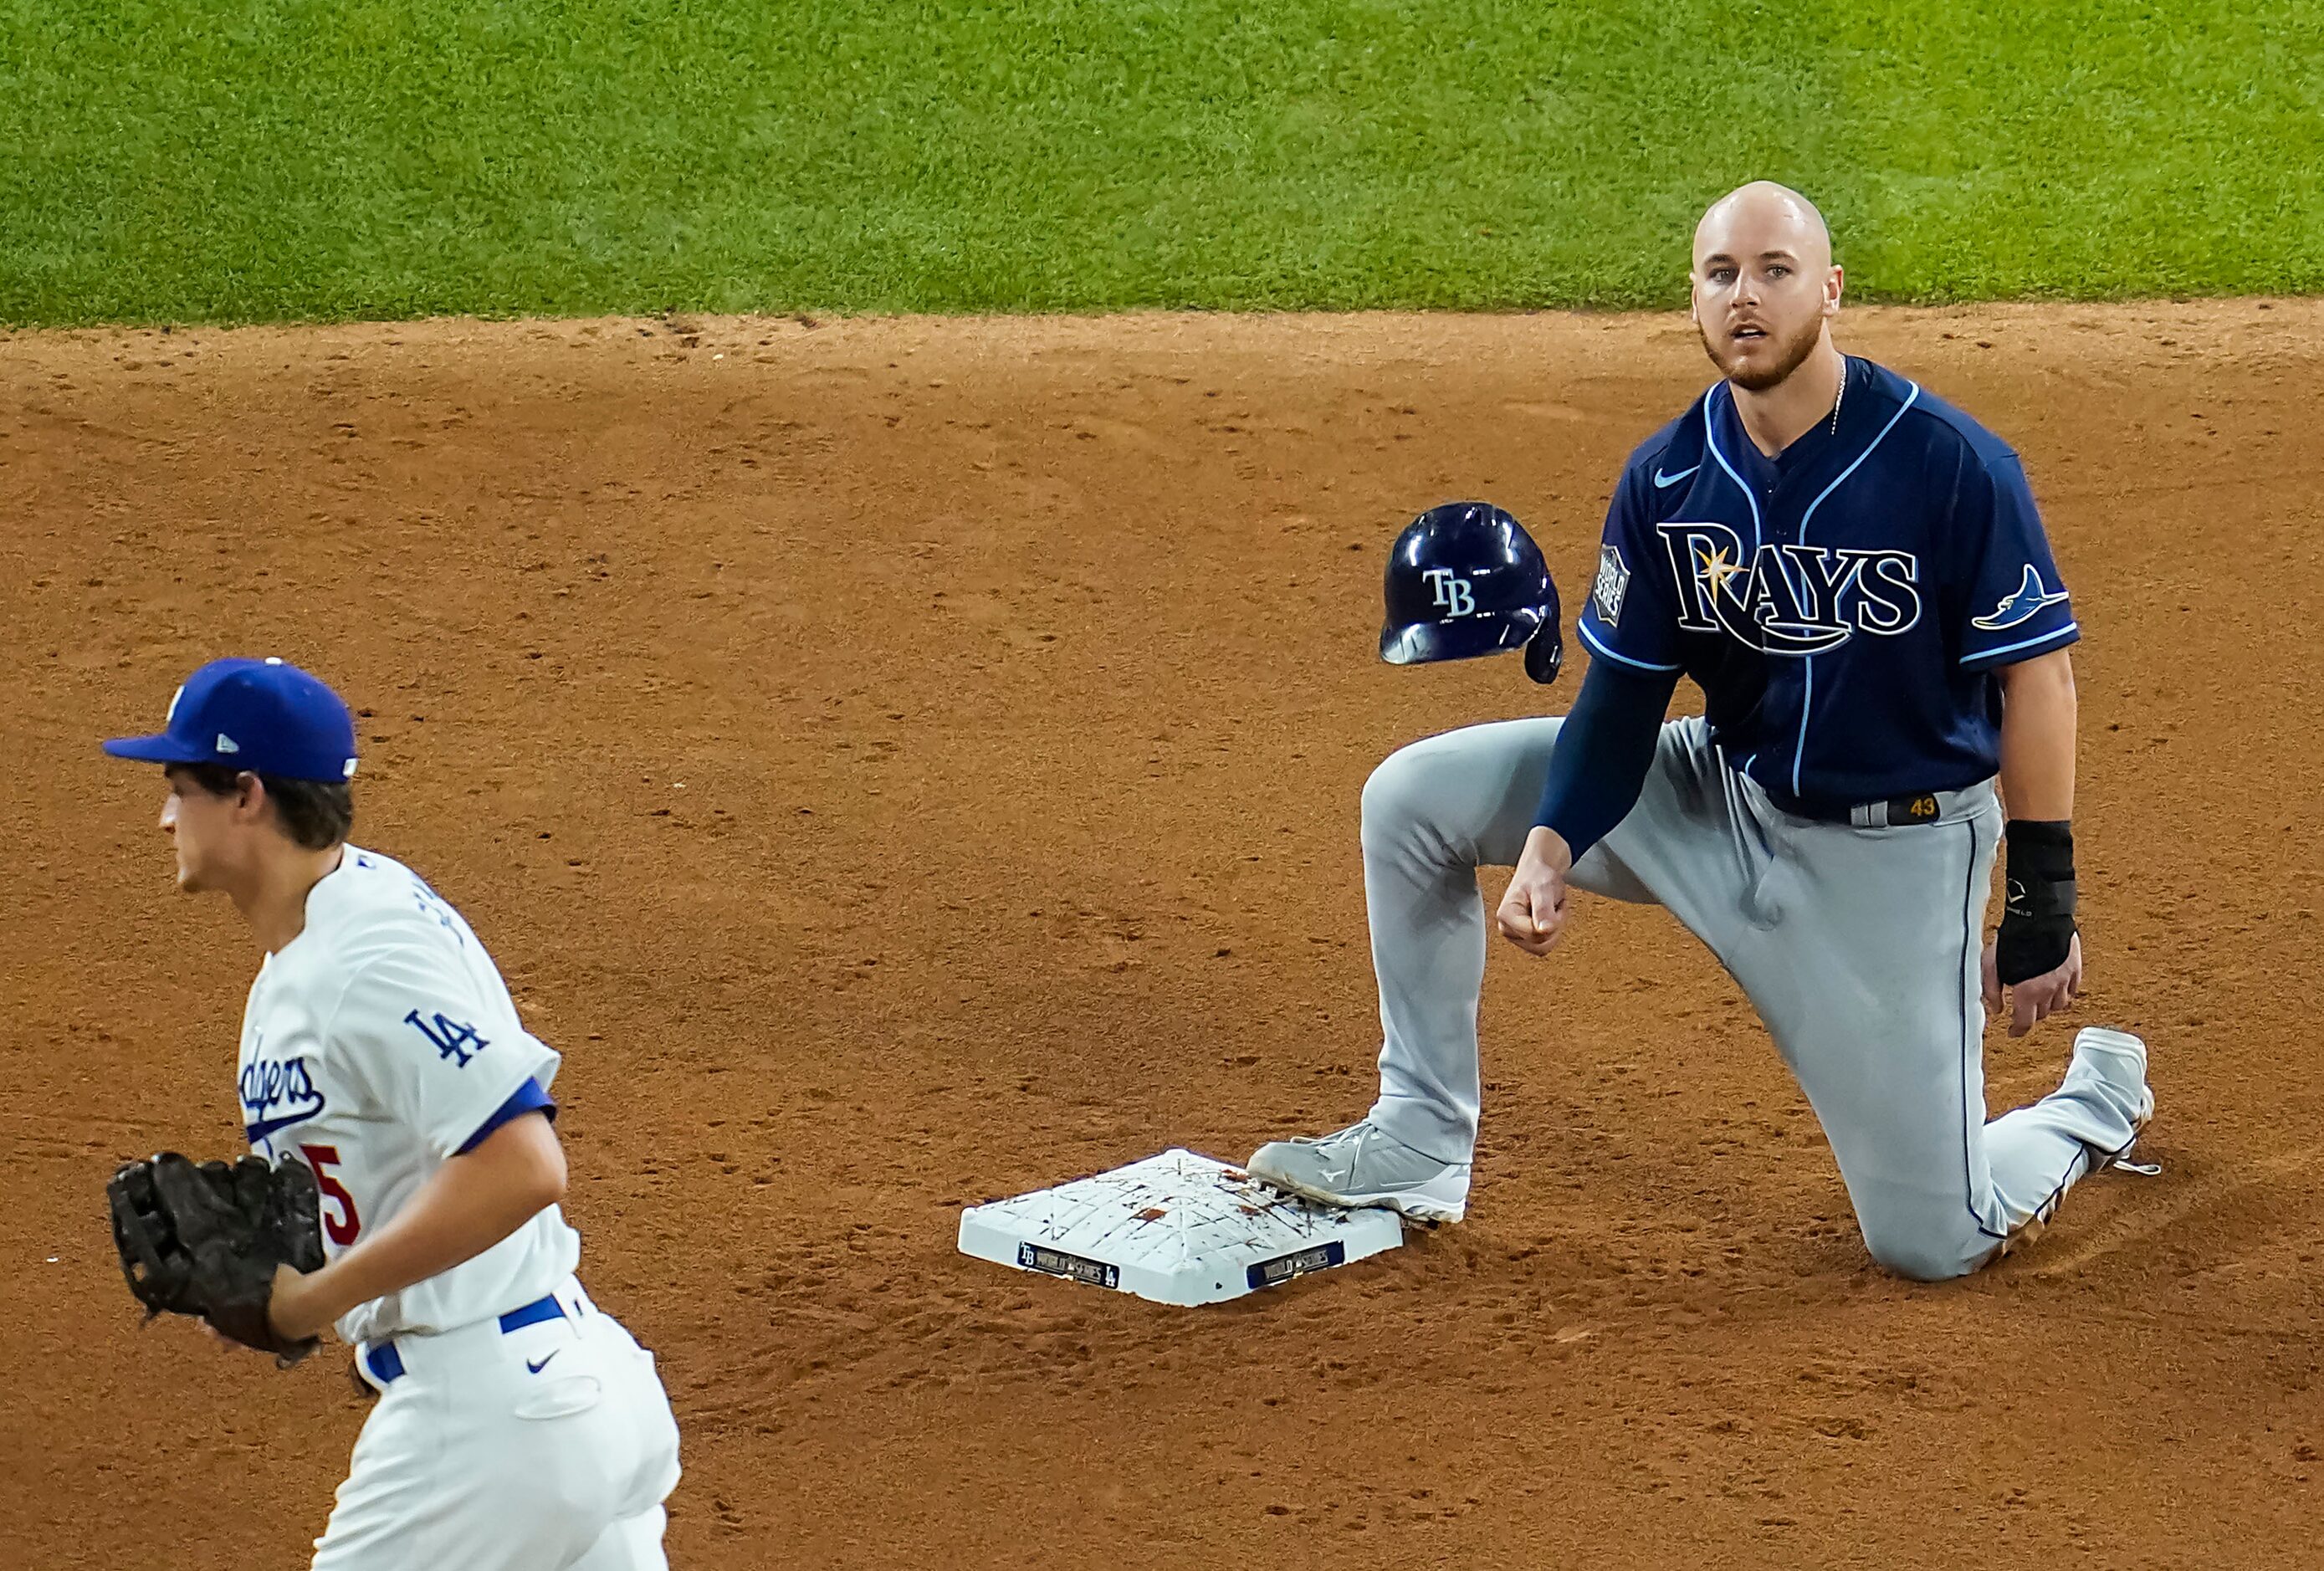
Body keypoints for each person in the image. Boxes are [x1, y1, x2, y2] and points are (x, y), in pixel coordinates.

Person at [1246, 182, 2153, 1281]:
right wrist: (1551, 841)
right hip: (1718, 795)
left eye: (1774, 269)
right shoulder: (1668, 476)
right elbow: (1625, 694)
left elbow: (2037, 678)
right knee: (1410, 797)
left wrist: (2040, 895)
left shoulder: (1950, 464)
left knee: (1932, 1239)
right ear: (1693, 295)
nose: (1745, 296)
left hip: (1893, 855)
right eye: (1721, 273)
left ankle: (2094, 1099)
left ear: (1828, 290)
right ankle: (1416, 1139)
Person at [104, 656, 681, 1566]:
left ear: (246, 794)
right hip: (571, 1392)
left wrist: (307, 1304)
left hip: (487, 1425)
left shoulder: (360, 961)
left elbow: (524, 1164)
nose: (165, 814)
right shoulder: (331, 922)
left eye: (181, 787)